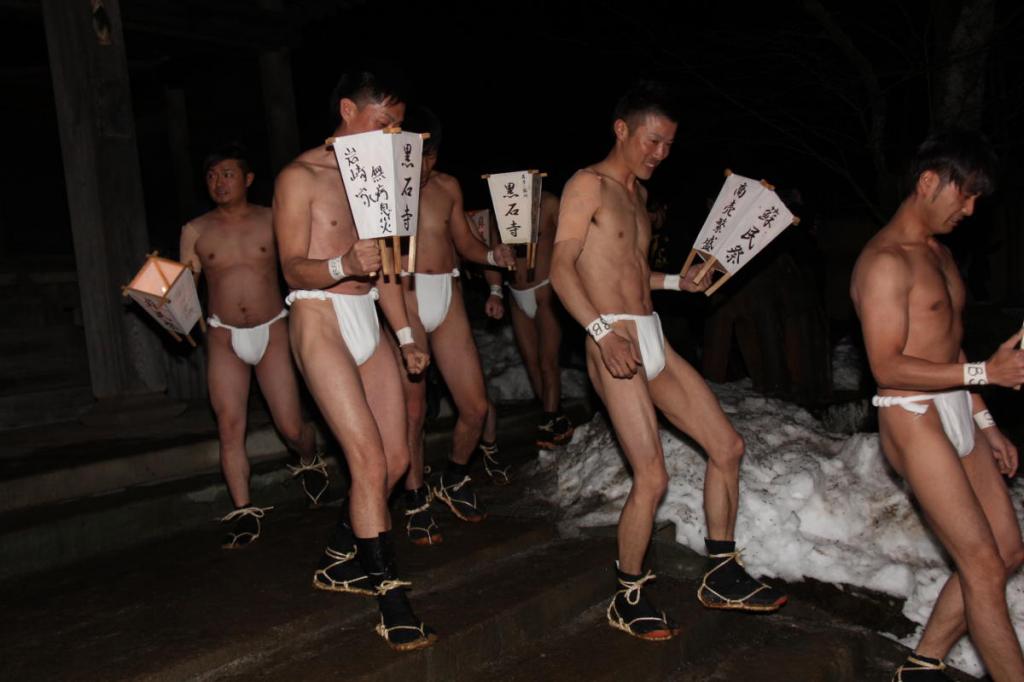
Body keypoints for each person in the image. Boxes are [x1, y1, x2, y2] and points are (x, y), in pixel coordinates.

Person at [550, 80, 786, 641]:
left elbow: (630, 273)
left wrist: (681, 280)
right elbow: (562, 268)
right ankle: (628, 595)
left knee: (728, 446)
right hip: (611, 340)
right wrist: (603, 331)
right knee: (651, 475)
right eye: (652, 141)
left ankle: (721, 572)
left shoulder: (635, 195)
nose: (660, 153)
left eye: (669, 145)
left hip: (649, 333)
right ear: (622, 129)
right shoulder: (587, 185)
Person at [851, 130, 1024, 681]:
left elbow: (947, 343)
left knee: (1007, 550)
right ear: (929, 182)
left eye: (977, 199)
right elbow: (887, 364)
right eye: (965, 195)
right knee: (979, 564)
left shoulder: (942, 254)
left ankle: (924, 662)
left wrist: (985, 418)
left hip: (954, 405)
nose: (971, 210)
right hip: (910, 415)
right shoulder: (882, 262)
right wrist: (986, 374)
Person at [272, 68, 435, 651]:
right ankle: (392, 600)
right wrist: (342, 262)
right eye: (382, 121)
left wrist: (407, 335)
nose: (393, 132)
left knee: (392, 462)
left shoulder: (383, 179)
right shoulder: (298, 177)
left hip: (369, 318)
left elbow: (386, 268)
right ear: (347, 110)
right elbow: (291, 266)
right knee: (366, 461)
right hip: (318, 317)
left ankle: (340, 555)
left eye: (398, 123)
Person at [179, 143, 323, 549]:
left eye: (227, 174)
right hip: (223, 334)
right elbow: (185, 291)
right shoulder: (195, 230)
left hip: (273, 327)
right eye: (211, 176)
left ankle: (309, 458)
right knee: (229, 427)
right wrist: (167, 307)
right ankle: (243, 511)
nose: (218, 182)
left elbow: (299, 264)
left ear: (247, 179)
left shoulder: (272, 219)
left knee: (291, 427)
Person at [394, 107, 515, 545]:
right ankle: (414, 496)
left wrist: (491, 256)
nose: (423, 166)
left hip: (446, 295)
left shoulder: (447, 187)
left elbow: (465, 243)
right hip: (404, 297)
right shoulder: (385, 191)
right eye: (414, 156)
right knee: (413, 410)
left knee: (476, 406)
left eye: (430, 156)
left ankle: (454, 476)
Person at [483, 190, 575, 449]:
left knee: (548, 361)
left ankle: (549, 418)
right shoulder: (498, 209)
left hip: (545, 288)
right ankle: (554, 416)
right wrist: (496, 292)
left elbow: (571, 241)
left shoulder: (549, 203)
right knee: (531, 362)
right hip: (516, 293)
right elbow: (492, 255)